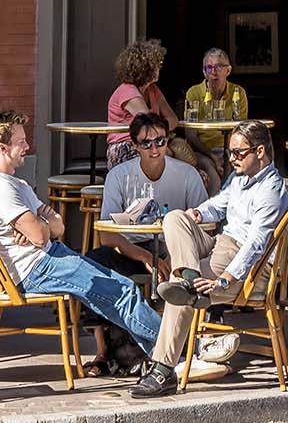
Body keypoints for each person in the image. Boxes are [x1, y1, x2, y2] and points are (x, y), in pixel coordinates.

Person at [0, 109, 168, 372]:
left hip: (49, 256)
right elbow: (40, 232)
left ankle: (163, 358)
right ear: (2, 148)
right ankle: (177, 353)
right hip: (37, 267)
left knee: (118, 293)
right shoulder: (2, 188)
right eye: (21, 142)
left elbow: (58, 226)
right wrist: (42, 226)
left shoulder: (17, 184)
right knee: (124, 292)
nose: (27, 146)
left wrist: (43, 225)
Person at [136, 119, 288, 399]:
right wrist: (198, 213)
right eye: (230, 152)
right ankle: (188, 278)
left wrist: (225, 279)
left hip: (248, 268)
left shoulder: (270, 191)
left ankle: (162, 369)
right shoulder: (240, 178)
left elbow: (255, 245)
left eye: (238, 153)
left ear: (260, 152)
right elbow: (218, 205)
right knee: (175, 219)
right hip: (220, 245)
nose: (231, 159)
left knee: (181, 293)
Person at [84, 111, 208, 376]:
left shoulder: (187, 174)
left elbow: (204, 226)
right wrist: (144, 257)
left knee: (190, 266)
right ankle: (102, 352)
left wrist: (170, 256)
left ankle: (183, 345)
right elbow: (108, 233)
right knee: (93, 264)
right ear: (134, 146)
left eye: (160, 141)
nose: (155, 149)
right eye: (146, 143)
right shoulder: (119, 176)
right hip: (133, 248)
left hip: (172, 247)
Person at [106, 40, 183, 172]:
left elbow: (173, 119)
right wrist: (161, 129)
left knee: (195, 173)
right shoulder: (127, 91)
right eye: (157, 64)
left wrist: (159, 128)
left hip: (151, 145)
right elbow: (149, 125)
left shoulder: (153, 90)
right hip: (127, 147)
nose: (160, 67)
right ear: (145, 68)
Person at [182, 50, 248, 119]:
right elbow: (190, 127)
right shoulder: (193, 93)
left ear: (228, 70)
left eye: (218, 67)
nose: (213, 72)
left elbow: (241, 126)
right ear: (204, 72)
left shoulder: (238, 92)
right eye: (209, 68)